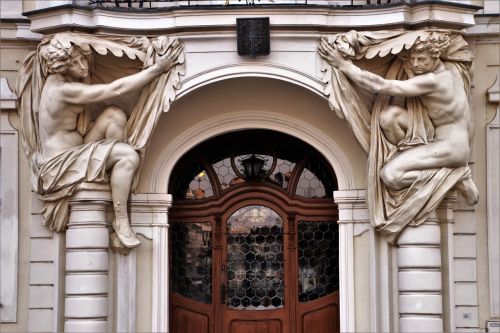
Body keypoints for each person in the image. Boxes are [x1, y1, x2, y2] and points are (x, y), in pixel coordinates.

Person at [36, 38, 182, 248]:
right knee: (128, 155)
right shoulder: (62, 90)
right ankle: (120, 219)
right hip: (62, 163)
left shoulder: (66, 81)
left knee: (113, 114)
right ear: (61, 67)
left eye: (82, 60)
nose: (83, 66)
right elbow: (114, 90)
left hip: (77, 150)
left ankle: (113, 174)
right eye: (75, 63)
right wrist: (157, 69)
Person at [318, 34, 478, 205]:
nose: (415, 64)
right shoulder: (454, 68)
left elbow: (382, 86)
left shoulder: (432, 81)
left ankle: (455, 176)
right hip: (442, 140)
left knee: (390, 175)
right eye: (413, 59)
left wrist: (343, 65)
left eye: (422, 59)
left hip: (451, 148)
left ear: (436, 56)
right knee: (388, 117)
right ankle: (413, 157)